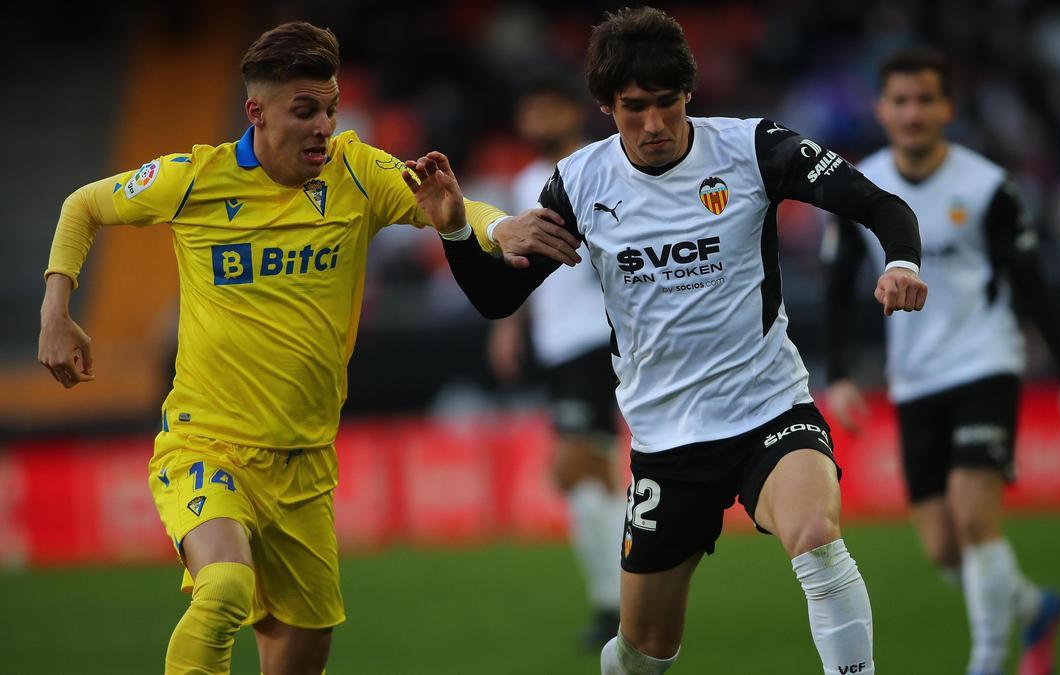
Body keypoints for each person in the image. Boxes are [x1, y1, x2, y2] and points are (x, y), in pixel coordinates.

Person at [404, 8, 927, 674]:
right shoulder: (580, 183)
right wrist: (454, 230)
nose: (653, 124)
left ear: (690, 93)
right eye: (634, 108)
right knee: (643, 652)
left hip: (769, 407)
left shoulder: (753, 148)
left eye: (667, 104)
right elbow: (498, 296)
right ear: (604, 105)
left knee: (818, 537)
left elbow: (880, 203)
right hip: (667, 443)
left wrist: (902, 261)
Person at [36, 21, 567, 675]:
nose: (324, 125)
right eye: (305, 110)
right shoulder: (195, 179)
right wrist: (56, 307)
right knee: (224, 586)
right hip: (209, 445)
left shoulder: (358, 172)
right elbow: (82, 205)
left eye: (332, 108)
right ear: (256, 112)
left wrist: (498, 225)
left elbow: (449, 206)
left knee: (306, 647)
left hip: (305, 467)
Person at [822, 47, 1060, 675]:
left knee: (976, 517)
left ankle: (987, 660)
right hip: (914, 378)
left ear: (947, 107)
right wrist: (837, 375)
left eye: (925, 100)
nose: (913, 112)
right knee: (944, 546)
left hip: (985, 362)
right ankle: (1034, 607)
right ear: (881, 109)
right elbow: (838, 286)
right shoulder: (859, 187)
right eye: (901, 100)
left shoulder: (986, 187)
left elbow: (1033, 284)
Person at [487, 79, 626, 648]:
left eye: (545, 108)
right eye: (528, 110)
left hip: (595, 338)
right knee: (593, 475)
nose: (535, 119)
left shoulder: (598, 168)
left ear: (570, 112)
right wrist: (508, 329)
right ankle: (618, 602)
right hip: (556, 343)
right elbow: (518, 265)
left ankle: (617, 603)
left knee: (573, 466)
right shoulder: (524, 181)